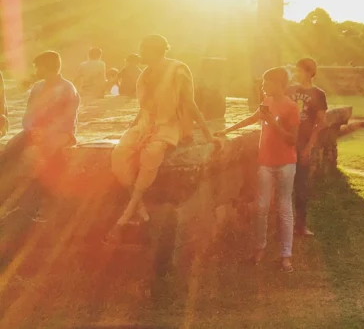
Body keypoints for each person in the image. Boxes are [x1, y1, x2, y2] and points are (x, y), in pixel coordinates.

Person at [110, 35, 217, 234]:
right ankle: (139, 206)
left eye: (144, 49)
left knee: (151, 154)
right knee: (119, 153)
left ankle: (127, 214)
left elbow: (189, 103)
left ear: (155, 50)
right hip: (145, 124)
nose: (141, 53)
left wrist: (206, 133)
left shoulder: (177, 70)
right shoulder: (145, 74)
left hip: (168, 124)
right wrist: (133, 128)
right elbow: (144, 108)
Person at [219, 66, 300, 271]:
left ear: (278, 84)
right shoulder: (267, 102)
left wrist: (273, 122)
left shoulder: (291, 107)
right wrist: (226, 130)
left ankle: (285, 255)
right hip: (265, 162)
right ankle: (259, 248)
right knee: (261, 207)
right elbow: (252, 118)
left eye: (266, 83)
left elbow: (293, 139)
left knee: (284, 208)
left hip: (285, 164)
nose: (263, 87)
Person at [0, 51, 80, 220]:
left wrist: (47, 132)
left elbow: (68, 119)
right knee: (11, 147)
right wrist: (32, 129)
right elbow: (28, 115)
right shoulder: (37, 88)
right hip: (36, 131)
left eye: (38, 67)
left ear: (46, 67)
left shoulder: (67, 88)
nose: (36, 70)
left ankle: (38, 202)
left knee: (36, 156)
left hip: (60, 133)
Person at [287, 58, 327, 238]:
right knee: (284, 187)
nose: (296, 74)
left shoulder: (318, 94)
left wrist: (308, 147)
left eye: (300, 70)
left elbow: (320, 123)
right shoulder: (289, 90)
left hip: (303, 144)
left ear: (310, 72)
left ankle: (301, 226)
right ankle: (286, 226)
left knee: (301, 187)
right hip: (286, 142)